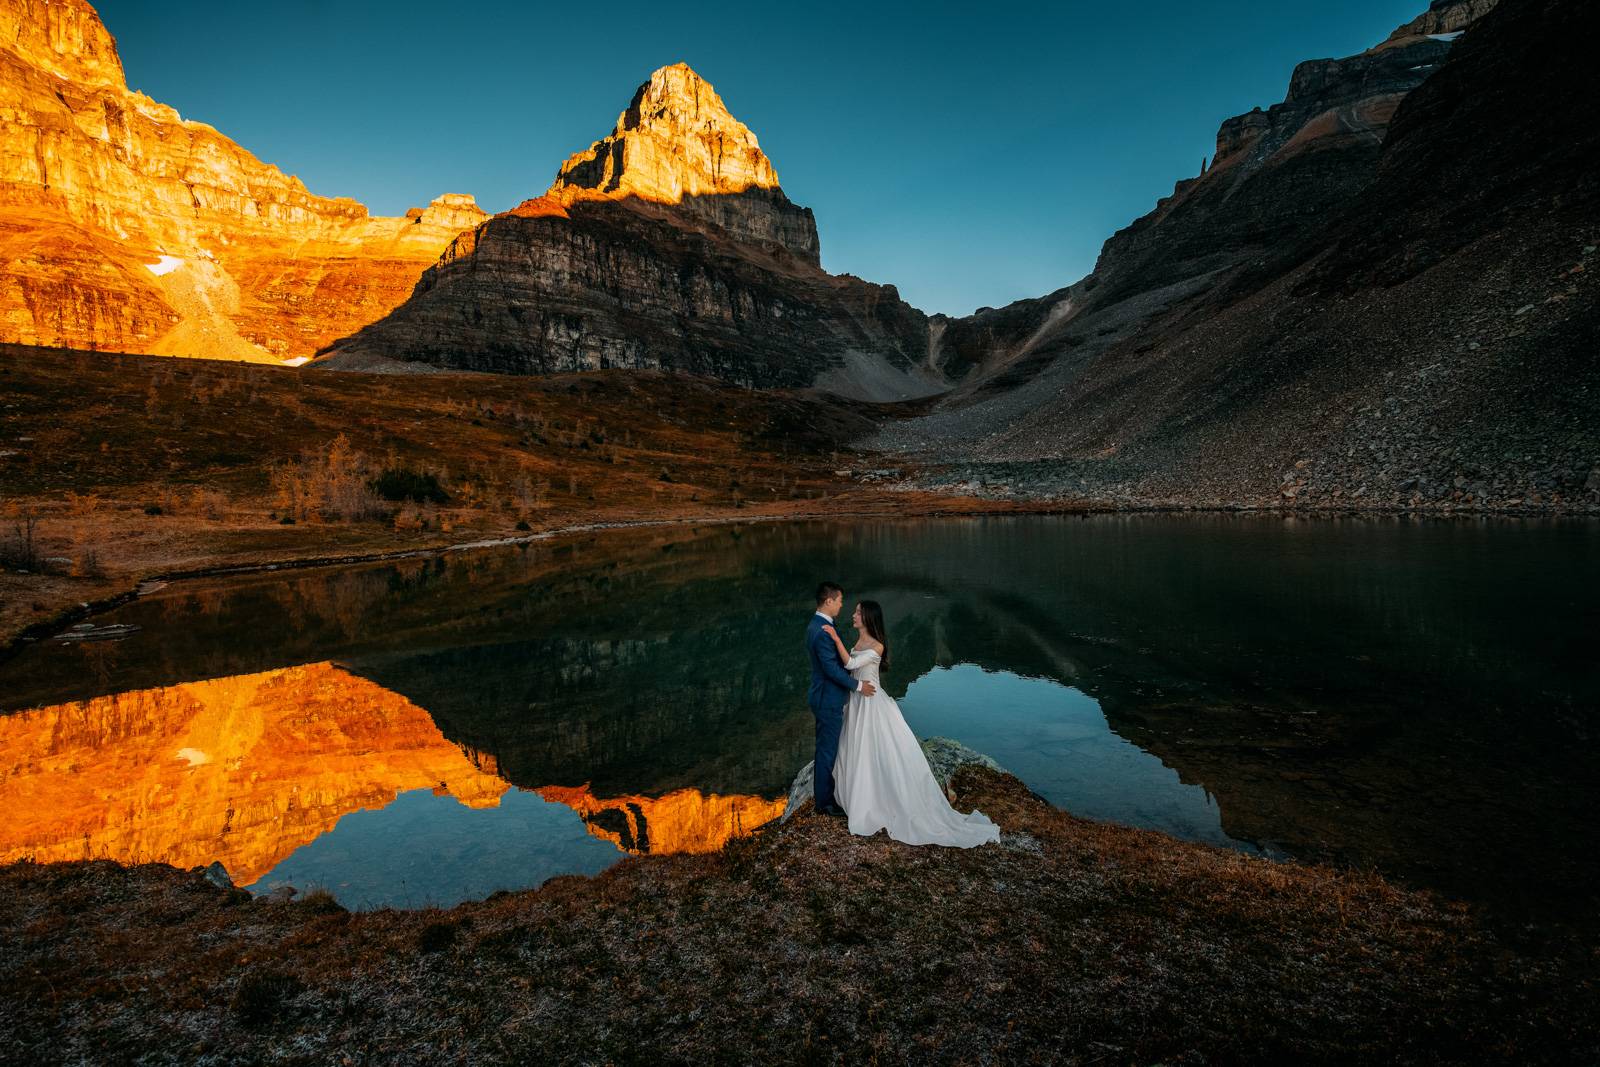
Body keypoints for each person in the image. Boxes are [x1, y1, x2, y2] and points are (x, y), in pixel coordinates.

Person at [820, 599, 1000, 847]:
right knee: (857, 747)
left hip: (871, 703)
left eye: (858, 613)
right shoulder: (860, 641)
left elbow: (851, 664)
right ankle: (857, 796)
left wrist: (834, 637)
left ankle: (876, 800)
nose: (853, 615)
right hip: (858, 701)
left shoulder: (877, 645)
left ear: (868, 618)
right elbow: (850, 668)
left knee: (873, 748)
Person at [806, 582, 874, 817]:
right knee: (827, 750)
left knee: (827, 747)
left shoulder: (819, 625)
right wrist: (857, 685)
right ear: (829, 601)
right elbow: (831, 669)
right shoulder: (822, 630)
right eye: (839, 600)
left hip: (823, 695)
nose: (842, 605)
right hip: (828, 699)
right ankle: (824, 803)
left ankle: (827, 797)